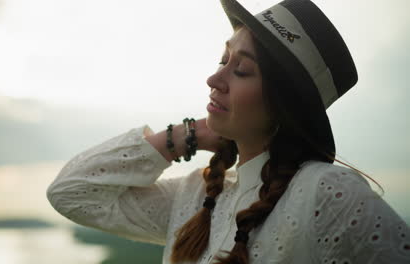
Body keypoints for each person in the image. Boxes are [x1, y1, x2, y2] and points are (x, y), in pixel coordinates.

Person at [46, 0, 410, 263]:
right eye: (224, 60)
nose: (214, 79)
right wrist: (186, 135)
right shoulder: (195, 195)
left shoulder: (328, 193)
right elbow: (71, 193)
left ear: (283, 102)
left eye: (242, 70)